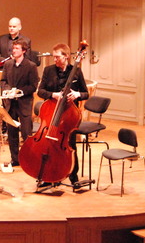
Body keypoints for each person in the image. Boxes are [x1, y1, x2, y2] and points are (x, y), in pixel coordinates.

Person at [37, 43, 89, 187]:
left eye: (57, 57)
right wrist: (53, 95)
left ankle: (73, 176)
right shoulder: (48, 71)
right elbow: (40, 91)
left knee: (70, 145)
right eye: (53, 57)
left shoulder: (76, 72)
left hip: (69, 116)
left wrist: (77, 94)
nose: (54, 60)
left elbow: (86, 94)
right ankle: (48, 176)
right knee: (48, 145)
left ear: (66, 56)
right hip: (52, 113)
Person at [0, 39, 39, 167]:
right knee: (12, 133)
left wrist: (19, 91)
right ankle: (15, 159)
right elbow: (3, 81)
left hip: (24, 103)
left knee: (26, 133)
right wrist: (7, 90)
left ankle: (28, 159)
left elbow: (33, 86)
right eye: (13, 48)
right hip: (11, 103)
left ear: (23, 51)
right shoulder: (8, 64)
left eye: (16, 48)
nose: (13, 50)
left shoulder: (31, 66)